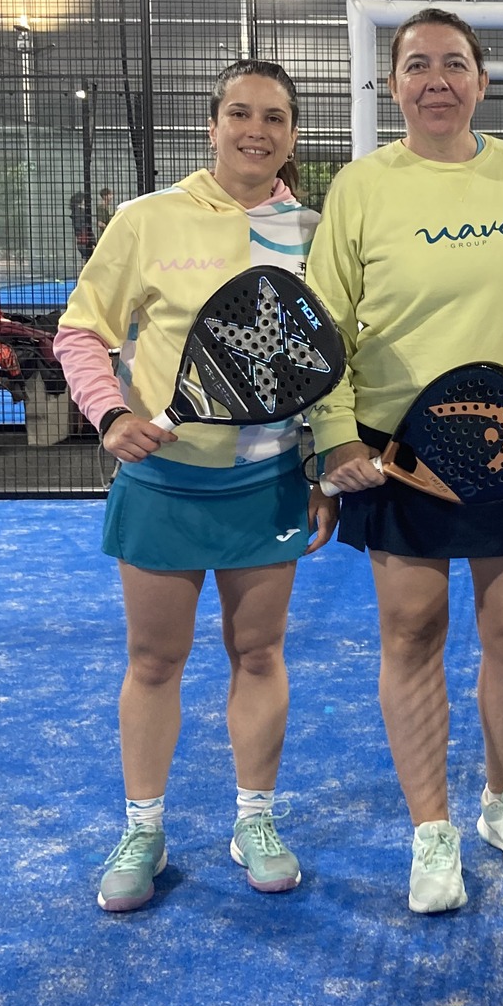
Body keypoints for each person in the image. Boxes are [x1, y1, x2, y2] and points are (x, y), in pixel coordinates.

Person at [307, 7, 503, 915]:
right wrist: (333, 438)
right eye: (417, 65)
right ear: (393, 84)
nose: (435, 80)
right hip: (398, 453)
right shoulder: (362, 188)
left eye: (453, 63)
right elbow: (323, 323)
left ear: (481, 81)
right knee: (412, 635)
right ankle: (431, 830)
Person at [55, 59, 333, 915]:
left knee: (260, 654)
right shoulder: (147, 219)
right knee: (153, 660)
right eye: (240, 113)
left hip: (270, 484)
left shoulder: (316, 233)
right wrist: (110, 415)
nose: (257, 131)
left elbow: (327, 364)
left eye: (275, 117)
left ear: (292, 134)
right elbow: (80, 331)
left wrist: (322, 469)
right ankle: (144, 829)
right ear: (212, 125)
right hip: (163, 486)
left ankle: (256, 821)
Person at [69, 193, 95, 265]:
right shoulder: (80, 213)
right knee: (87, 260)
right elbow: (83, 228)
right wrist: (92, 242)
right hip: (85, 240)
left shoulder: (77, 212)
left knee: (86, 259)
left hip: (82, 240)